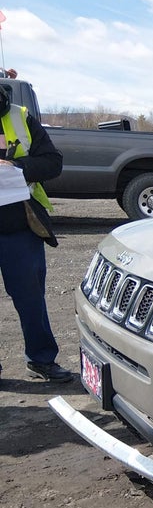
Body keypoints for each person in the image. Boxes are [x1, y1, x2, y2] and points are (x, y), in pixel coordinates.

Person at [0, 83, 73, 383]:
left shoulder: (19, 117)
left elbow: (53, 163)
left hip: (20, 227)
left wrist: (16, 166)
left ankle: (42, 359)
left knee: (31, 297)